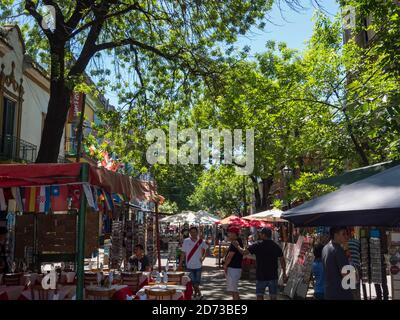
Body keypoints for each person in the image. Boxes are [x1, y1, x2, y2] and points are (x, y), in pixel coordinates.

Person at [233, 227, 287, 300]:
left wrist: (237, 246)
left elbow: (243, 252)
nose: (259, 234)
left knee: (259, 295)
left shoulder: (257, 245)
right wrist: (284, 273)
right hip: (273, 275)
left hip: (261, 275)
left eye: (261, 233)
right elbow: (282, 260)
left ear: (264, 235)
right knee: (273, 296)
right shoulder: (276, 246)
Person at [322, 227, 353, 300]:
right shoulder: (338, 250)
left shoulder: (325, 248)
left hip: (329, 292)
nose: (346, 236)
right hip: (340, 293)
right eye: (343, 234)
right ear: (336, 235)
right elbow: (346, 274)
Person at [179, 226, 208, 300]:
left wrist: (203, 258)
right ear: (189, 233)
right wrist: (180, 264)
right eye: (191, 232)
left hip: (198, 265)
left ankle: (196, 293)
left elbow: (206, 249)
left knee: (197, 282)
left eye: (194, 232)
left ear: (197, 233)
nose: (193, 234)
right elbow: (183, 253)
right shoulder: (186, 241)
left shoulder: (200, 241)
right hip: (189, 265)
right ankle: (200, 294)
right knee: (193, 282)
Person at [223, 226, 243, 300]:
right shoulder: (237, 241)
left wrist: (225, 265)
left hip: (233, 268)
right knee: (234, 289)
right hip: (235, 268)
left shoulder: (235, 242)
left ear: (234, 233)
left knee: (234, 290)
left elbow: (230, 256)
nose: (228, 234)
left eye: (230, 233)